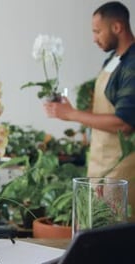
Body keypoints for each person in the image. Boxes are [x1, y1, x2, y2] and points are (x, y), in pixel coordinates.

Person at [44, 2, 135, 221]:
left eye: (97, 31)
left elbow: (125, 122)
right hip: (100, 164)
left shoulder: (132, 64)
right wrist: (71, 109)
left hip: (121, 168)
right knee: (99, 229)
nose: (94, 38)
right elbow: (106, 107)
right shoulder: (113, 61)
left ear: (117, 27)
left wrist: (71, 114)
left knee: (115, 234)